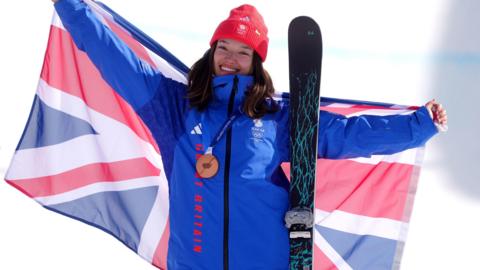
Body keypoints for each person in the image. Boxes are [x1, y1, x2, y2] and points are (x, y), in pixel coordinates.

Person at [51, 0, 447, 269]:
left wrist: (418, 125)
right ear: (212, 52)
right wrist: (70, 6)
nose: (231, 59)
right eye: (224, 48)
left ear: (257, 62)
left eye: (243, 52)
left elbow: (347, 135)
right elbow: (114, 58)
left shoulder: (279, 118)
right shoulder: (174, 108)